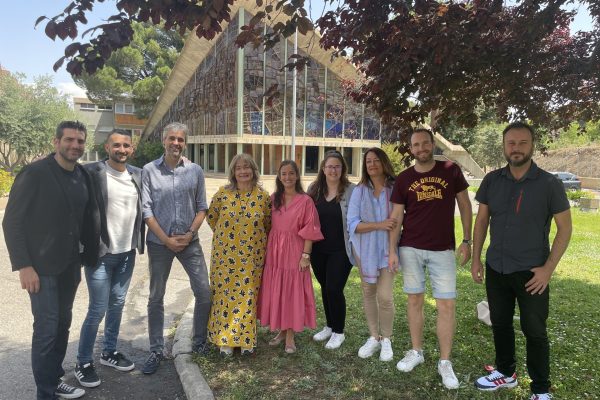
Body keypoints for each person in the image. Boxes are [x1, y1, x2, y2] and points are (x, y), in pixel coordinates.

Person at [472, 122, 572, 400]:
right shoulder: (492, 180)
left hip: (533, 273)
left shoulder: (550, 184)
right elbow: (482, 221)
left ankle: (540, 389)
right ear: (504, 146)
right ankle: (506, 373)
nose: (516, 148)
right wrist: (477, 259)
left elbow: (565, 229)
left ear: (532, 146)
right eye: (511, 143)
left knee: (535, 331)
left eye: (522, 143)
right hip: (497, 267)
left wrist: (548, 270)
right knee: (500, 323)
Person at [3, 121, 100, 400]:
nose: (75, 145)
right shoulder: (35, 173)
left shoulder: (83, 175)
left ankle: (54, 381)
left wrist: (89, 255)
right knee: (46, 329)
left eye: (80, 141)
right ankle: (45, 393)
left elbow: (88, 217)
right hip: (40, 268)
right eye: (69, 140)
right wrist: (24, 266)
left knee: (61, 325)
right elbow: (12, 222)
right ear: (56, 142)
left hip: (70, 266)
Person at [388, 128, 472, 389]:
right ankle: (417, 351)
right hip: (410, 248)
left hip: (442, 249)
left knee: (446, 305)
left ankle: (445, 362)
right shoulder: (404, 178)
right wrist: (392, 250)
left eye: (425, 143)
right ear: (411, 148)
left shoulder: (450, 170)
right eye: (416, 145)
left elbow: (465, 205)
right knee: (414, 300)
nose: (421, 148)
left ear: (432, 144)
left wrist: (467, 240)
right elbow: (396, 216)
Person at [74, 129, 145, 387]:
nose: (121, 149)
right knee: (97, 309)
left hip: (127, 253)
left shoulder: (138, 174)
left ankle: (109, 352)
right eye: (116, 145)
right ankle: (83, 362)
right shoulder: (91, 172)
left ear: (132, 148)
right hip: (101, 254)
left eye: (126, 145)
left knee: (117, 304)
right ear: (107, 147)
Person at [141, 122, 211, 374]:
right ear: (164, 141)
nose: (176, 143)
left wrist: (189, 234)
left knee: (204, 292)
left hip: (189, 243)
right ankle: (156, 350)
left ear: (185, 143)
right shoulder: (149, 170)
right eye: (172, 138)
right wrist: (167, 240)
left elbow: (202, 207)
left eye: (180, 139)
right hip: (159, 244)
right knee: (155, 297)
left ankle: (199, 342)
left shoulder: (195, 171)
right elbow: (146, 211)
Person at [207, 154, 271, 356]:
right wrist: (228, 239)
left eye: (247, 167)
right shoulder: (223, 193)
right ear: (233, 172)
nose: (243, 171)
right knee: (224, 295)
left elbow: (268, 224)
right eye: (239, 168)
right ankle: (225, 339)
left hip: (252, 256)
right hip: (224, 256)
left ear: (253, 170)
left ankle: (245, 340)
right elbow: (211, 218)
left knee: (247, 296)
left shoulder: (263, 196)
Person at [257, 160, 323, 353]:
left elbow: (310, 229)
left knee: (291, 292)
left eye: (291, 173)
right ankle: (282, 331)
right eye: (283, 173)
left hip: (295, 250)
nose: (287, 177)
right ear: (279, 176)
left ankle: (290, 336)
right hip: (275, 252)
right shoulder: (273, 199)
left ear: (297, 175)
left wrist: (306, 255)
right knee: (278, 289)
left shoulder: (305, 201)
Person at [347, 147, 398, 362]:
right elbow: (352, 224)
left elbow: (398, 221)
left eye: (376, 160)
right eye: (368, 161)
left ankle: (386, 339)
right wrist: (379, 224)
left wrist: (392, 246)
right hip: (364, 250)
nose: (372, 164)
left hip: (388, 250)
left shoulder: (395, 189)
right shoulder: (359, 191)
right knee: (368, 292)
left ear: (384, 162)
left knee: (385, 296)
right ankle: (374, 337)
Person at [307, 150, 356, 350]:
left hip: (341, 250)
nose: (333, 170)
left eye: (337, 166)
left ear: (343, 168)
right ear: (323, 168)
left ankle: (339, 332)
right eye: (330, 166)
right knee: (325, 287)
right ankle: (329, 326)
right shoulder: (314, 189)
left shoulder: (352, 190)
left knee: (334, 288)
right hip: (318, 249)